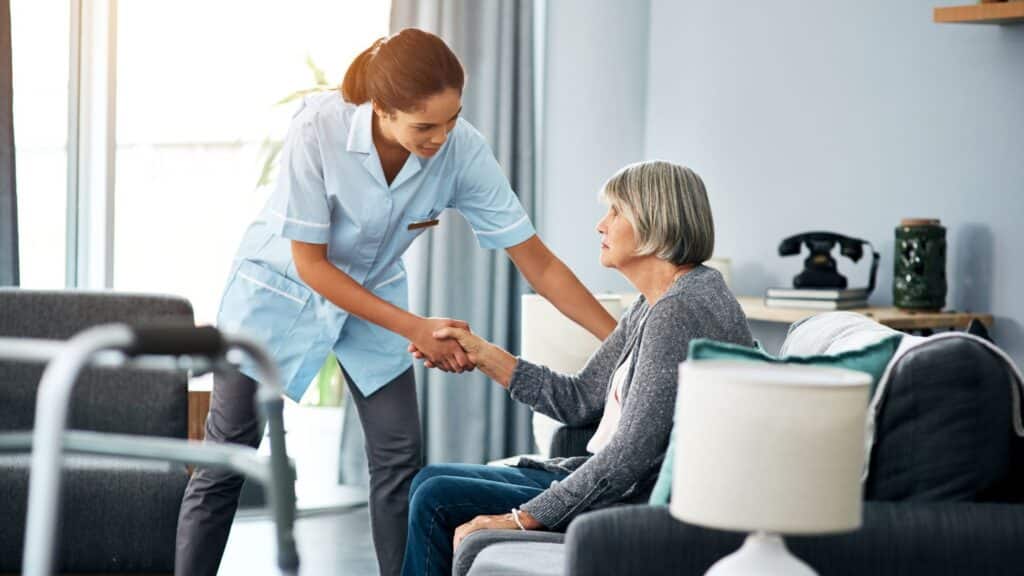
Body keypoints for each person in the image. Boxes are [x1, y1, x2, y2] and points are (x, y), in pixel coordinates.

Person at [175, 28, 616, 576]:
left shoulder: (461, 149)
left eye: (452, 119)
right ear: (381, 110)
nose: (442, 137)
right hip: (280, 290)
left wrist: (623, 338)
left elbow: (538, 262)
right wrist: (416, 328)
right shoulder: (319, 127)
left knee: (398, 456)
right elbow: (313, 265)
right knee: (229, 454)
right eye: (425, 126)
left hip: (376, 294)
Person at [401, 160, 755, 576]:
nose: (600, 225)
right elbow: (580, 399)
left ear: (656, 221)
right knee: (430, 480)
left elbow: (629, 456)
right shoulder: (654, 303)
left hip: (632, 501)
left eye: (616, 211)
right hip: (612, 484)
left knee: (435, 496)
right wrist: (483, 353)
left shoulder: (677, 311)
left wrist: (521, 519)